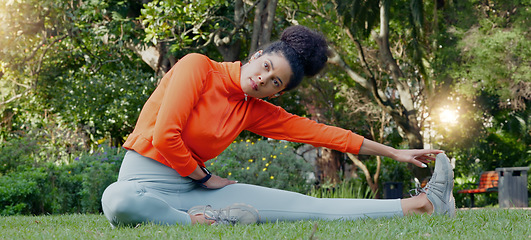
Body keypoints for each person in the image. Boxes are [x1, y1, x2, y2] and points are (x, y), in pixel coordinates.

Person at [101, 25, 455, 227]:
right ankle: (195, 223)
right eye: (267, 67)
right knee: (117, 199)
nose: (263, 79)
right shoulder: (197, 67)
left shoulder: (252, 109)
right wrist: (206, 178)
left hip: (197, 192)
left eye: (275, 83)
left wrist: (393, 151)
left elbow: (322, 134)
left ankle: (423, 205)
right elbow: (165, 136)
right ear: (256, 56)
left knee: (305, 205)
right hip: (145, 184)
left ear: (277, 94)